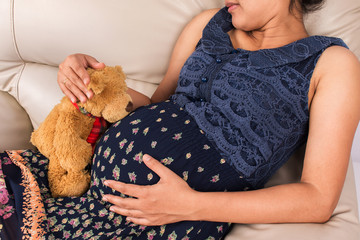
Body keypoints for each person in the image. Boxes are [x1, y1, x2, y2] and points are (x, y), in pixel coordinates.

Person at [1, 0, 360, 239]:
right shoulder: (207, 25)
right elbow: (156, 108)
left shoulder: (331, 64)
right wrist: (92, 84)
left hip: (155, 223)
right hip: (81, 191)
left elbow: (318, 199)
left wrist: (191, 204)